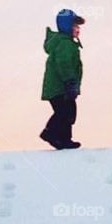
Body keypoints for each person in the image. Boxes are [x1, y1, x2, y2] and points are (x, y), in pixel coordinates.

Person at [40, 9, 85, 149]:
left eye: (78, 27)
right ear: (66, 27)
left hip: (62, 87)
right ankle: (50, 133)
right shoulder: (65, 44)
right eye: (75, 26)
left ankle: (64, 139)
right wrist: (70, 81)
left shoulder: (68, 43)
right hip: (59, 87)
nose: (77, 30)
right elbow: (64, 63)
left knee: (69, 112)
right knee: (64, 112)